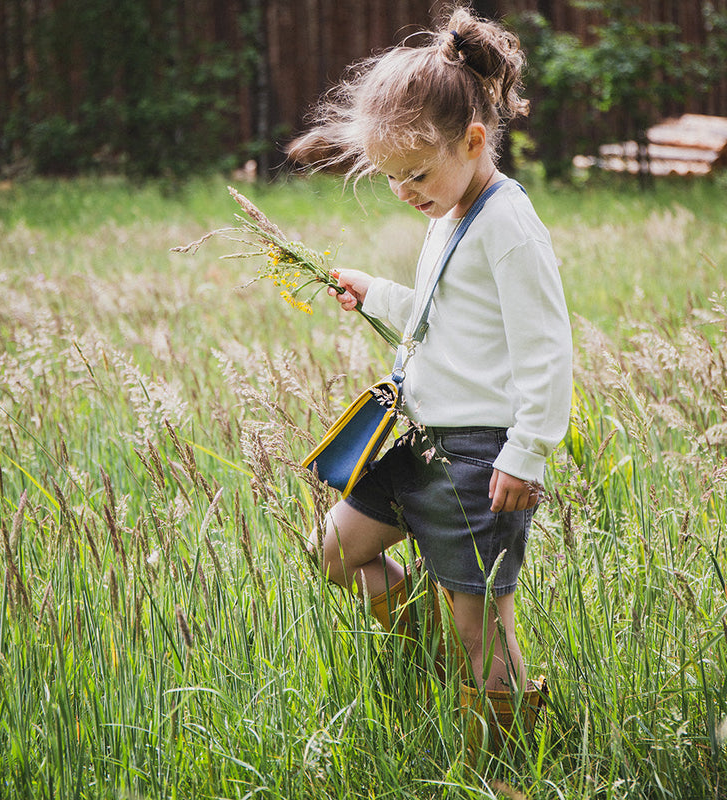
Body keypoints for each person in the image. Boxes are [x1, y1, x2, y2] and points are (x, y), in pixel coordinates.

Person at [288, 4, 572, 759]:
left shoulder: (507, 224)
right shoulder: (449, 212)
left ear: (474, 141)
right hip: (413, 438)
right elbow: (440, 314)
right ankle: (422, 643)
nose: (405, 191)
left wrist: (528, 451)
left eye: (415, 173)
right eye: (389, 179)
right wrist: (372, 292)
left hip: (481, 458)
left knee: (484, 632)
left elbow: (547, 347)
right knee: (334, 551)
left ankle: (509, 760)